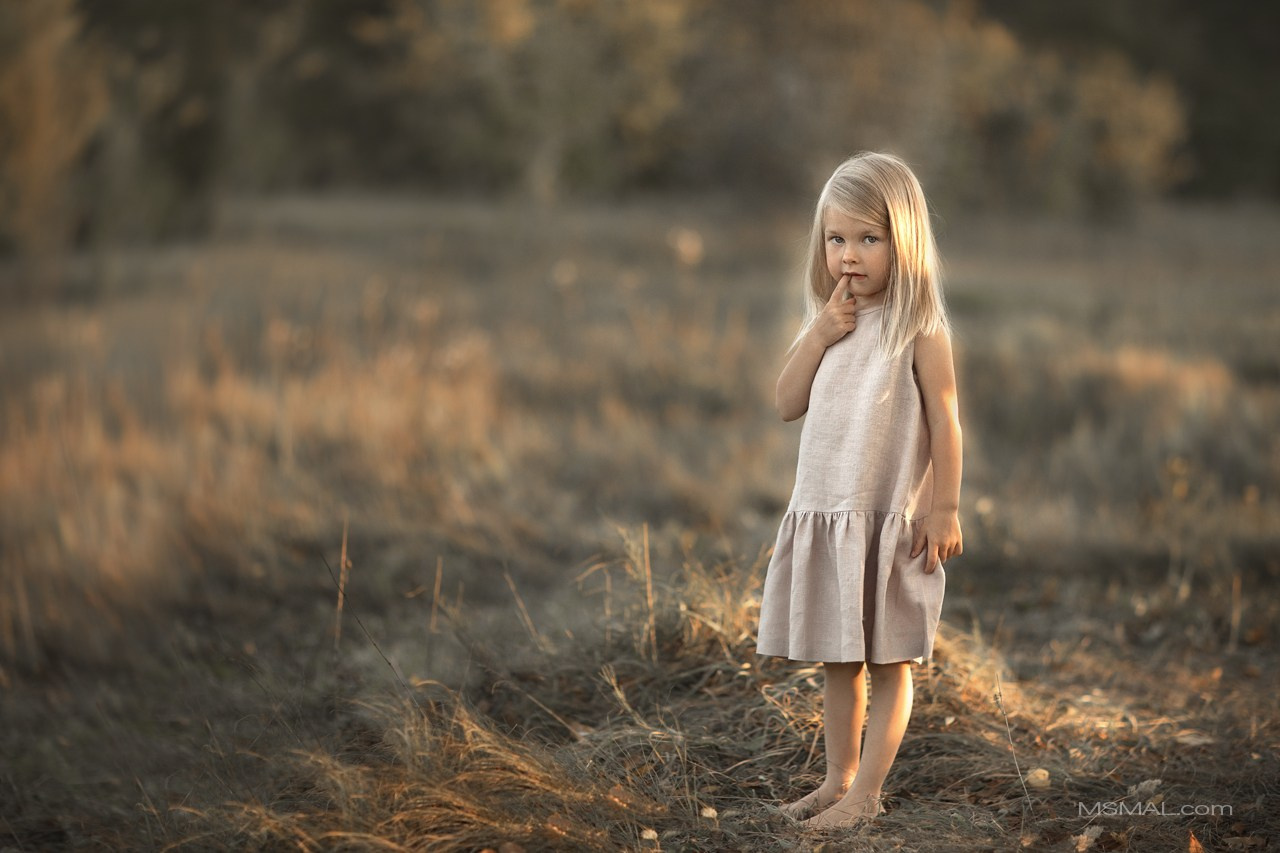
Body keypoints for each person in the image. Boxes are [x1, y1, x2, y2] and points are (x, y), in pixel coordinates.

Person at [755, 151, 963, 828]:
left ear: (902, 239)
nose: (850, 255)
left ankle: (867, 796)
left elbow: (947, 419)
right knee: (838, 662)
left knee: (889, 660)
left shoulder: (919, 327)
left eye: (868, 239)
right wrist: (818, 332)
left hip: (889, 522)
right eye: (836, 238)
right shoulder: (832, 319)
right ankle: (835, 781)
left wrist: (944, 506)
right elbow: (786, 402)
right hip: (828, 514)